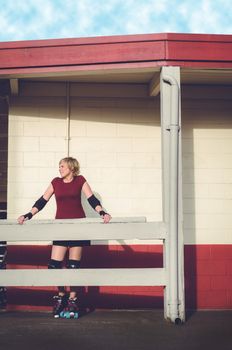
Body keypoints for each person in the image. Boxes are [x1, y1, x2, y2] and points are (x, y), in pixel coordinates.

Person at [17, 157, 111, 318]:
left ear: (71, 168)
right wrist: (28, 215)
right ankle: (61, 296)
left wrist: (102, 212)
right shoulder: (55, 182)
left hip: (77, 228)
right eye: (59, 166)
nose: (59, 168)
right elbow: (42, 200)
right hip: (60, 228)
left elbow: (91, 199)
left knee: (74, 267)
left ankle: (73, 300)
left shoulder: (80, 180)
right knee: (54, 266)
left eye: (62, 166)